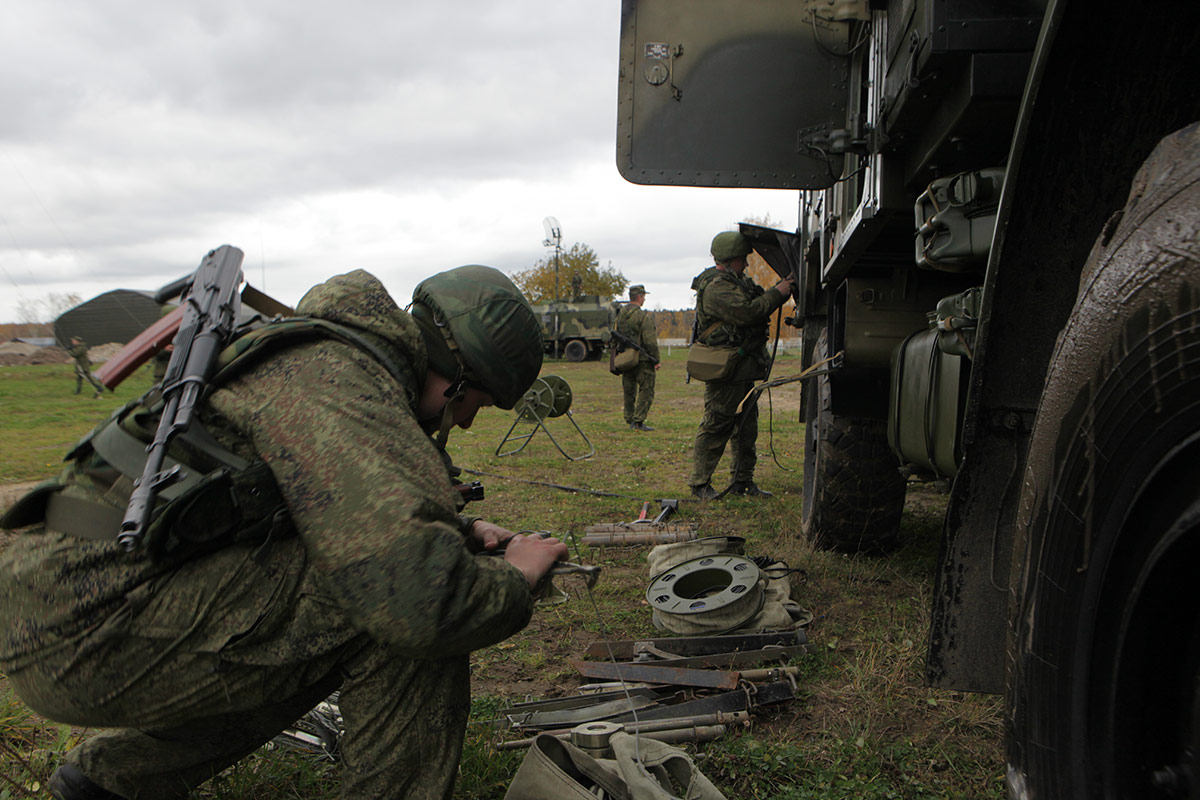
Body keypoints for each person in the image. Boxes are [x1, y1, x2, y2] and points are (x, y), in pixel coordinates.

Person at [0, 266, 568, 800]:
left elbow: (311, 505)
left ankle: (109, 782)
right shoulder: (339, 382)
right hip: (88, 628)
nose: (466, 422)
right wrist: (516, 575)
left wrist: (460, 529)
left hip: (73, 610)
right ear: (459, 371)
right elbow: (420, 602)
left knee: (323, 624)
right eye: (479, 402)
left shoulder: (324, 359)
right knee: (397, 603)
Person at [688, 232, 794, 500]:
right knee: (717, 424)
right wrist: (778, 293)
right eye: (742, 259)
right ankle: (700, 485)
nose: (745, 264)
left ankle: (743, 482)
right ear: (730, 259)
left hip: (742, 367)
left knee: (746, 428)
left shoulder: (735, 281)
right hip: (726, 368)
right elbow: (748, 312)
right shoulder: (717, 288)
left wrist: (778, 289)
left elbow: (755, 300)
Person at [615, 284, 660, 431]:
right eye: (644, 297)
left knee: (629, 389)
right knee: (646, 390)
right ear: (639, 297)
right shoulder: (642, 316)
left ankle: (629, 418)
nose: (644, 300)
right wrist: (655, 359)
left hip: (625, 358)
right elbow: (650, 341)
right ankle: (638, 421)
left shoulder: (620, 315)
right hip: (643, 359)